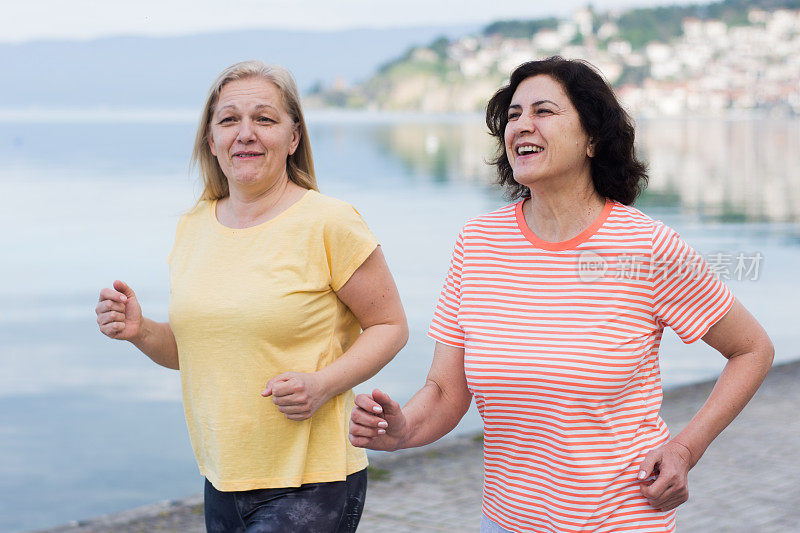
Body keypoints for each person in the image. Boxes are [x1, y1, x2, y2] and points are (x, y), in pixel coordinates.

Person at [349, 57, 774, 533]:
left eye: (543, 111)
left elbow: (752, 349)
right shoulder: (478, 243)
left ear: (592, 138)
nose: (522, 126)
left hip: (621, 522)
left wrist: (683, 449)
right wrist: (402, 429)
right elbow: (448, 392)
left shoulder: (644, 246)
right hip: (505, 522)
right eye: (513, 115)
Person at [96, 60, 408, 532]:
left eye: (264, 119)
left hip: (311, 481)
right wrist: (142, 332)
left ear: (293, 138)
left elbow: (390, 326)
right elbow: (195, 352)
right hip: (221, 478)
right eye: (229, 120)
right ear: (211, 140)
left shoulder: (329, 222)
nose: (245, 133)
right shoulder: (194, 224)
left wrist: (322, 385)